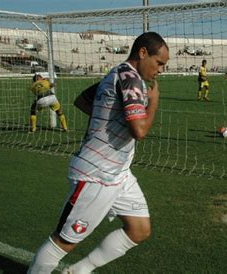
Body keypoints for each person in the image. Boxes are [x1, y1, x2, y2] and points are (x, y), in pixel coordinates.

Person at [27, 32, 169, 274]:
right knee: (64, 241)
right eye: (159, 63)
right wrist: (154, 100)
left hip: (119, 172)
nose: (161, 70)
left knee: (139, 229)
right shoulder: (131, 79)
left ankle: (79, 271)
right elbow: (139, 131)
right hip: (96, 174)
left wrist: (106, 117)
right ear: (143, 53)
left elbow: (82, 101)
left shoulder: (115, 73)